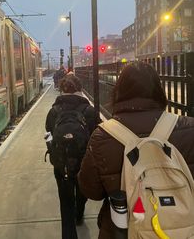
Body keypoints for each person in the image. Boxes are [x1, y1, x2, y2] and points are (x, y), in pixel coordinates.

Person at [78, 61, 194, 239]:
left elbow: (91, 191)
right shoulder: (188, 128)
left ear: (118, 91)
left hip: (122, 230)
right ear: (159, 90)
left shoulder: (103, 135)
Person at [45, 74, 101, 239]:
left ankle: (69, 233)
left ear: (62, 90)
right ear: (80, 89)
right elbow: (98, 134)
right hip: (84, 161)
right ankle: (79, 213)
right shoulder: (89, 111)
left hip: (62, 163)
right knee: (82, 190)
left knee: (65, 200)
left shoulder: (54, 111)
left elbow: (48, 132)